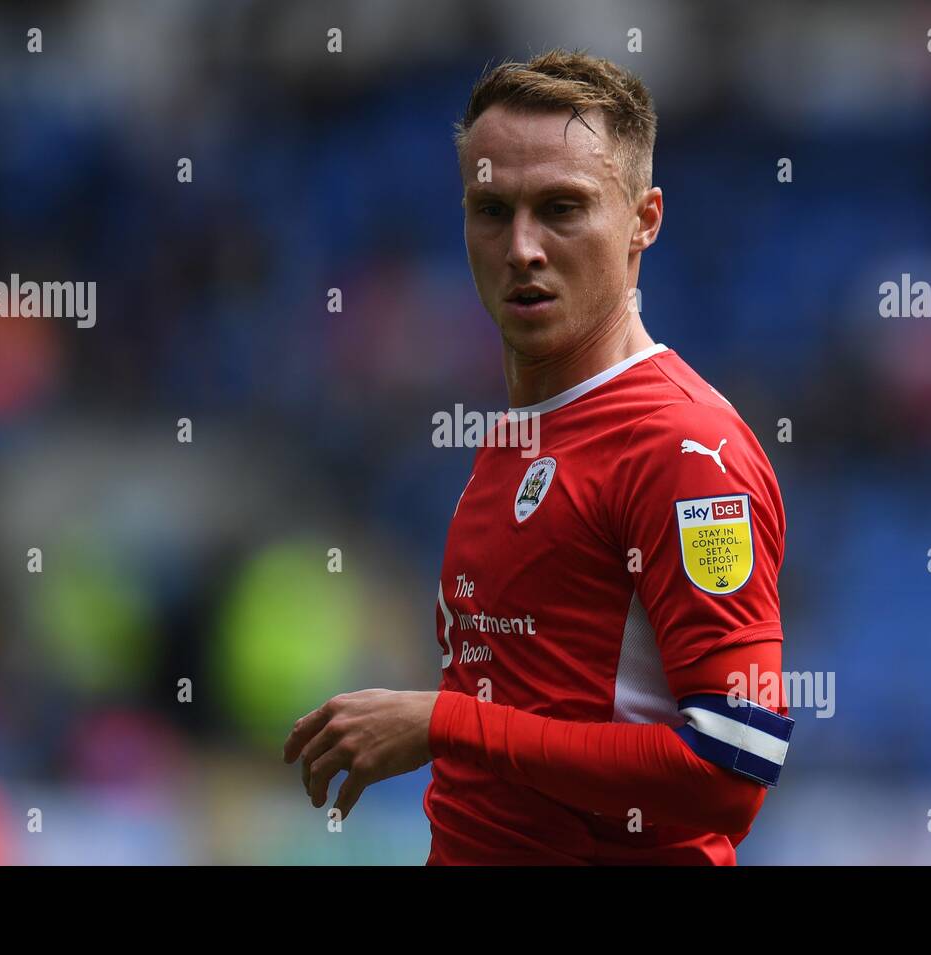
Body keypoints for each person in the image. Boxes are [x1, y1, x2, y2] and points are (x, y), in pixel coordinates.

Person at [283, 49, 792, 864]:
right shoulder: (518, 438)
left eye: (562, 208)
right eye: (492, 210)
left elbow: (737, 762)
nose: (522, 247)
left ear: (644, 219)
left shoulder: (689, 450)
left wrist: (443, 722)